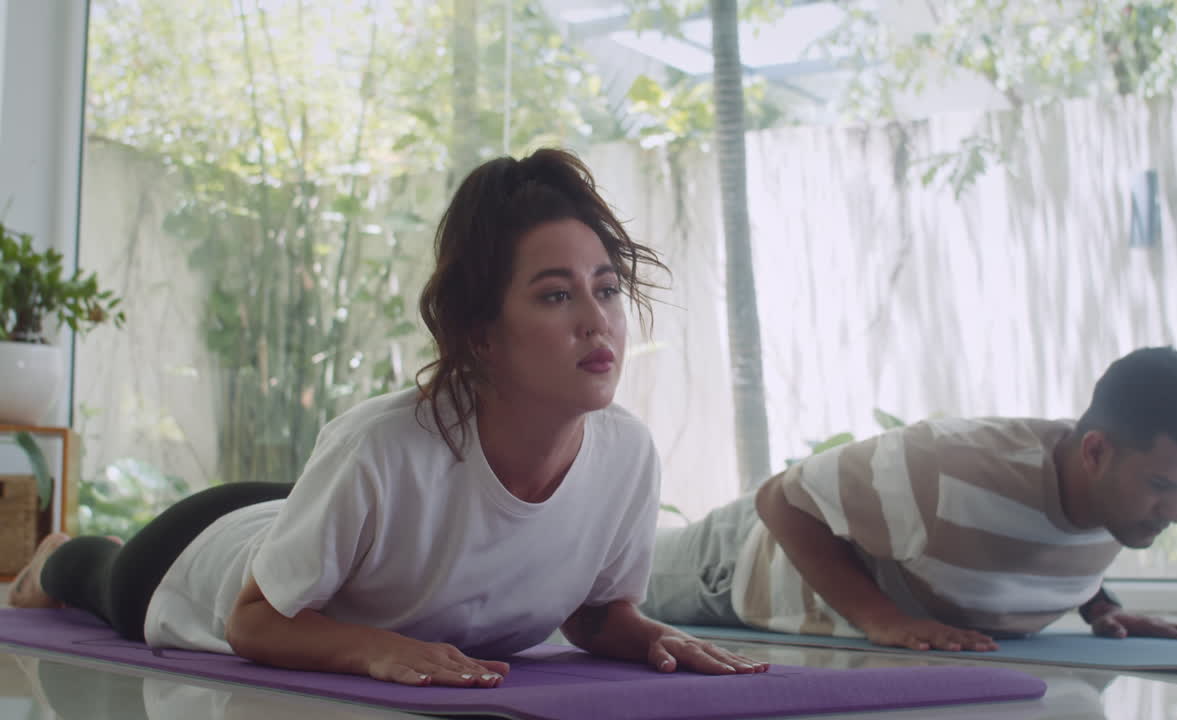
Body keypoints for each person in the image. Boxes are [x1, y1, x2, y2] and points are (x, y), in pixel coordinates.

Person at [10, 148, 766, 686]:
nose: (598, 322)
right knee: (101, 578)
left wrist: (656, 638)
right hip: (207, 555)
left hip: (315, 524)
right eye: (554, 295)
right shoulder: (384, 444)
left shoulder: (626, 456)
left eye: (604, 289)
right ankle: (58, 554)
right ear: (480, 332)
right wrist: (373, 649)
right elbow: (250, 622)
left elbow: (595, 616)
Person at [641, 347, 1177, 652]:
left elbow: (1048, 536)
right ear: (1095, 453)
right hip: (735, 565)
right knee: (587, 581)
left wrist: (1098, 606)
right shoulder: (949, 464)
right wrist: (884, 619)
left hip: (779, 590)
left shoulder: (1120, 497)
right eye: (1162, 487)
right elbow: (782, 499)